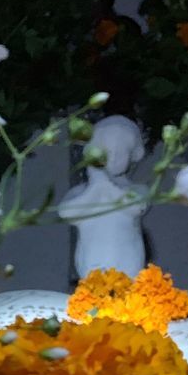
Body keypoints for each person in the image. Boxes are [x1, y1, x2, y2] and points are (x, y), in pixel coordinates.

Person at [57, 115, 148, 278]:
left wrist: (104, 184)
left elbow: (136, 206)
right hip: (91, 262)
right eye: (107, 151)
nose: (114, 157)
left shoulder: (137, 190)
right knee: (96, 294)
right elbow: (67, 213)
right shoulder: (81, 191)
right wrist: (95, 185)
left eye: (121, 151)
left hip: (129, 261)